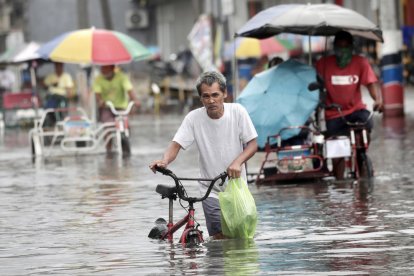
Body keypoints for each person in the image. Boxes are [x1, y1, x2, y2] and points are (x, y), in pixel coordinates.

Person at [149, 71, 258, 240]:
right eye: (206, 96)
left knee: (242, 236)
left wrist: (237, 162)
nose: (211, 100)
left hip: (237, 186)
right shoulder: (194, 118)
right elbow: (176, 144)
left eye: (215, 95)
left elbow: (253, 144)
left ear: (225, 94)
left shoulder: (238, 112)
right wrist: (164, 161)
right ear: (201, 98)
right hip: (210, 189)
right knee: (219, 238)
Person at [315, 31, 383, 179]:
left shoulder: (361, 62)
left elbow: (371, 83)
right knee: (337, 150)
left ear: (352, 48)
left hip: (356, 110)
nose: (342, 50)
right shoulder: (323, 64)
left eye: (346, 47)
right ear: (334, 47)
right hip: (334, 113)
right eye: (339, 47)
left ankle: (361, 155)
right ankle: (339, 182)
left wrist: (378, 99)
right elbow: (313, 83)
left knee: (367, 123)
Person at [92, 64, 140, 152]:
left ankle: (126, 139)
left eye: (105, 67)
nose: (103, 70)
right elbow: (97, 94)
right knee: (108, 127)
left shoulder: (122, 77)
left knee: (126, 125)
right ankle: (108, 149)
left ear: (112, 68)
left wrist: (135, 100)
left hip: (121, 107)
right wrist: (101, 101)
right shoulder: (98, 79)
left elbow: (129, 90)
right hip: (107, 107)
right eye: (102, 68)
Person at [42, 62, 75, 126]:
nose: (58, 68)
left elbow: (69, 90)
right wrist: (51, 84)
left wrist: (69, 95)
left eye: (60, 66)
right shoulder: (51, 76)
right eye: (57, 66)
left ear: (62, 66)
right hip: (52, 97)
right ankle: (51, 124)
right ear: (55, 67)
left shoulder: (66, 76)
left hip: (62, 98)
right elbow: (44, 84)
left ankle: (61, 122)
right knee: (49, 109)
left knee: (61, 110)